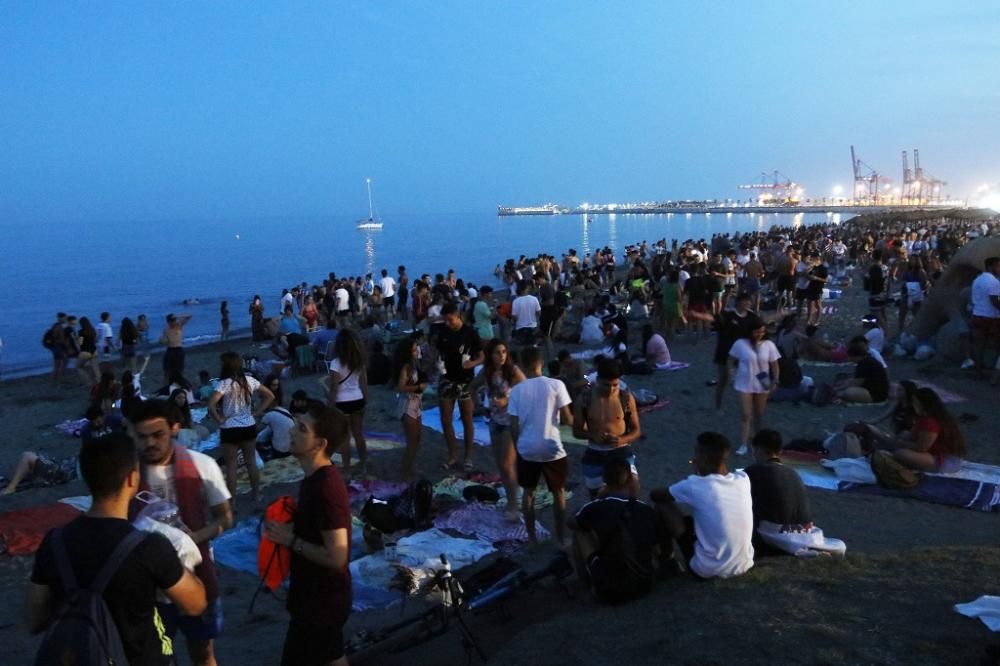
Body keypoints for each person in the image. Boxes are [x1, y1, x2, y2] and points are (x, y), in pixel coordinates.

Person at [26, 432, 207, 666]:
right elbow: (195, 604)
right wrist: (182, 552)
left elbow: (35, 620)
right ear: (132, 479)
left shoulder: (54, 542)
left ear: (88, 479)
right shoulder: (149, 546)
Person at [129, 399, 233, 666]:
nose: (150, 443)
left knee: (203, 652)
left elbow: (226, 518)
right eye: (142, 437)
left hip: (197, 575)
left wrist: (191, 539)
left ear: (174, 428)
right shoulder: (126, 473)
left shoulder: (202, 465)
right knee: (154, 657)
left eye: (158, 434)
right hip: (147, 584)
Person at [265, 401, 352, 666]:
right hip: (316, 597)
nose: (292, 431)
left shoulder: (326, 488)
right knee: (332, 655)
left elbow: (338, 557)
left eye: (302, 428)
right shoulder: (314, 479)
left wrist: (289, 539)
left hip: (322, 602)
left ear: (319, 444)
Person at [650, 432, 754, 579]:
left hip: (707, 569)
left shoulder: (696, 485)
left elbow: (656, 495)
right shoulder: (743, 479)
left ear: (703, 457)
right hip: (743, 564)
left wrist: (697, 477)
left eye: (696, 454)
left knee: (662, 505)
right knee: (694, 520)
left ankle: (668, 561)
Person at [567, 457, 661, 603]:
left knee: (580, 532)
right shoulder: (645, 509)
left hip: (608, 589)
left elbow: (571, 522)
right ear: (630, 479)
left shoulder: (596, 507)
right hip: (644, 585)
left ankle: (585, 585)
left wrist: (598, 497)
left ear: (604, 480)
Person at [508, 346, 573, 543]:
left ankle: (532, 538)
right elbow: (567, 419)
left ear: (522, 365)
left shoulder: (517, 390)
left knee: (528, 494)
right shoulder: (556, 384)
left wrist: (518, 447)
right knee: (558, 492)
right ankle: (561, 537)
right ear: (541, 363)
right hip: (552, 446)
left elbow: (513, 425)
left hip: (527, 447)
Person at [208, 351, 275, 503]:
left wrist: (219, 419)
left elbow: (211, 405)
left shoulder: (223, 384)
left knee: (231, 466)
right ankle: (256, 494)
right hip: (248, 425)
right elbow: (270, 396)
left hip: (230, 427)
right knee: (251, 462)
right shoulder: (249, 380)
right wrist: (257, 412)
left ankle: (232, 501)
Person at [470, 339, 526, 519]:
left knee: (507, 464)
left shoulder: (513, 371)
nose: (501, 356)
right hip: (494, 420)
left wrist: (507, 401)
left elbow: (526, 390)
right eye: (497, 352)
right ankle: (513, 495)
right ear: (490, 355)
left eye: (503, 352)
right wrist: (478, 405)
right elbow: (472, 387)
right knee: (501, 465)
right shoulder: (487, 372)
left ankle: (513, 505)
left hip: (511, 422)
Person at [573, 357, 642, 499]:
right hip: (595, 452)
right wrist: (592, 435)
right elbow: (576, 431)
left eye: (615, 385)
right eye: (606, 385)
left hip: (620, 450)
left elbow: (636, 431)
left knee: (632, 489)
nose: (611, 390)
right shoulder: (584, 399)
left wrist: (621, 440)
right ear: (597, 380)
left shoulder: (626, 398)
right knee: (596, 497)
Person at [432, 303, 484, 471]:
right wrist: (437, 363)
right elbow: (438, 352)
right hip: (447, 379)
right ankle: (452, 455)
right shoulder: (443, 332)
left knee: (467, 418)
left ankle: (468, 455)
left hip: (465, 380)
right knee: (445, 419)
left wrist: (473, 363)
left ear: (458, 315)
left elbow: (482, 356)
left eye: (450, 320)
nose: (448, 323)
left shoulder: (470, 333)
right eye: (445, 320)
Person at [744, 429, 812, 553]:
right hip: (805, 532)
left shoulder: (754, 471)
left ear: (758, 449)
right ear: (779, 451)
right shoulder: (793, 473)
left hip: (776, 534)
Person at [872, 387, 967, 473]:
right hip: (935, 453)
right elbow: (912, 436)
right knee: (903, 435)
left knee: (901, 453)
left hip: (946, 461)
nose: (913, 405)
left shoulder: (931, 422)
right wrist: (899, 439)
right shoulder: (925, 418)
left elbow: (922, 447)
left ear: (922, 403)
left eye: (915, 402)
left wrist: (898, 443)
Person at [728, 315, 780, 456]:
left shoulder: (769, 345)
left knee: (759, 414)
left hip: (762, 383)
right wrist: (732, 375)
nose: (760, 334)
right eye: (757, 331)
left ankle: (757, 441)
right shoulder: (740, 343)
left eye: (762, 332)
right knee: (746, 414)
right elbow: (730, 360)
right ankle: (744, 444)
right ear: (750, 331)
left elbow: (774, 365)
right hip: (744, 382)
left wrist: (775, 380)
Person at [324, 328, 369, 478]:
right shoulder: (359, 361)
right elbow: (364, 382)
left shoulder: (336, 363)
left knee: (345, 438)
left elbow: (334, 388)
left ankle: (347, 469)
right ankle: (363, 465)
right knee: (359, 435)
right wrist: (365, 400)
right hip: (358, 398)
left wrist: (330, 406)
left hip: (342, 402)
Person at [712, 292, 755, 410]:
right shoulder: (728, 315)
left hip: (742, 353)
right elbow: (715, 321)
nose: (749, 303)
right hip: (725, 351)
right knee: (723, 380)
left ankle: (748, 406)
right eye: (746, 301)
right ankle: (718, 406)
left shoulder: (752, 317)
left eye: (749, 301)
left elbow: (761, 328)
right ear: (739, 302)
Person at [393, 337, 427, 481]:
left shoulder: (414, 364)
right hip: (408, 405)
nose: (416, 351)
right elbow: (400, 387)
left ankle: (410, 467)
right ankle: (405, 471)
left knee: (416, 439)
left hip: (416, 404)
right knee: (412, 441)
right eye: (414, 349)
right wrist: (418, 387)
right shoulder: (406, 367)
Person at [970, 256, 1000, 379]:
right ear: (990, 267)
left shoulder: (977, 280)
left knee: (979, 345)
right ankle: (996, 373)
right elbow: (994, 301)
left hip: (977, 314)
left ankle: (978, 371)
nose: (999, 269)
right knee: (998, 344)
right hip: (991, 317)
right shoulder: (994, 282)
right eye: (997, 266)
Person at [835, 339, 889, 404]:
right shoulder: (868, 360)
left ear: (854, 356)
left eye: (850, 357)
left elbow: (857, 383)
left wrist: (839, 388)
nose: (849, 359)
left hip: (876, 395)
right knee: (847, 386)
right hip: (879, 392)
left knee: (848, 392)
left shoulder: (864, 363)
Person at [160, 313, 192, 383]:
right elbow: (163, 340)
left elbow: (189, 316)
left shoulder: (179, 326)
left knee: (180, 369)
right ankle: (167, 385)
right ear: (168, 322)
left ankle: (181, 384)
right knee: (167, 370)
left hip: (179, 350)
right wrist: (162, 340)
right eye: (171, 321)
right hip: (170, 350)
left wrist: (177, 316)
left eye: (174, 320)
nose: (173, 322)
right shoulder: (166, 330)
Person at [511, 279, 541, 346]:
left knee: (522, 347)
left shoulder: (515, 301)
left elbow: (514, 317)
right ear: (527, 288)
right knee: (533, 345)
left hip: (520, 327)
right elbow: (539, 313)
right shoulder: (534, 299)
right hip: (532, 326)